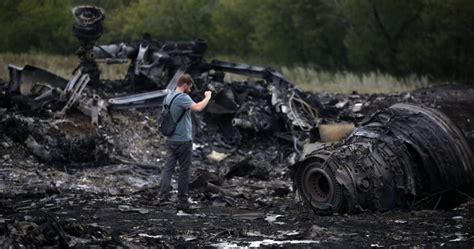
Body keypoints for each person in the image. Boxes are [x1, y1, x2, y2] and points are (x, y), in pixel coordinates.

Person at [158, 74, 212, 211]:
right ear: (185, 85)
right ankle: (182, 200)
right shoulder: (183, 97)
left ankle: (163, 197)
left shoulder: (168, 96)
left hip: (170, 139)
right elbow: (198, 108)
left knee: (168, 169)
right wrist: (208, 97)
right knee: (184, 170)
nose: (191, 89)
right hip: (183, 140)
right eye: (190, 86)